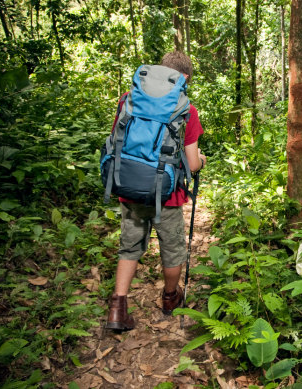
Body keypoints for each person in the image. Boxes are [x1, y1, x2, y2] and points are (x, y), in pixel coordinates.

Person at [106, 51, 207, 331]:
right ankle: (170, 298)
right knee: (172, 249)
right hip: (168, 194)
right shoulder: (186, 108)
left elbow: (117, 143)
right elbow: (194, 162)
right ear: (184, 77)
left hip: (128, 186)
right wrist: (200, 162)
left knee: (130, 247)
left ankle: (117, 308)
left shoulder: (129, 99)